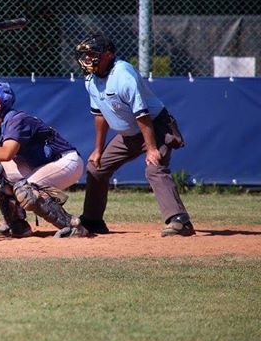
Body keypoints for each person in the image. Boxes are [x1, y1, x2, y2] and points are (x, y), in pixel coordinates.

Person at [70, 32, 194, 237]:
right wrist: (98, 149)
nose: (87, 59)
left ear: (108, 55)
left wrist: (152, 149)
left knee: (154, 168)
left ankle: (180, 221)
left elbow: (142, 114)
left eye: (93, 54)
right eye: (85, 54)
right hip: (129, 134)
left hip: (155, 127)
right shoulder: (91, 79)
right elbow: (99, 115)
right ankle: (93, 220)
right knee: (96, 167)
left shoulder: (123, 75)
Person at [0, 82, 87, 238]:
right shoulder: (1, 125)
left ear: (2, 104)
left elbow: (7, 153)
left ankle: (72, 225)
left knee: (26, 191)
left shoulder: (16, 120)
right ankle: (17, 225)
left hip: (67, 161)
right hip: (43, 164)